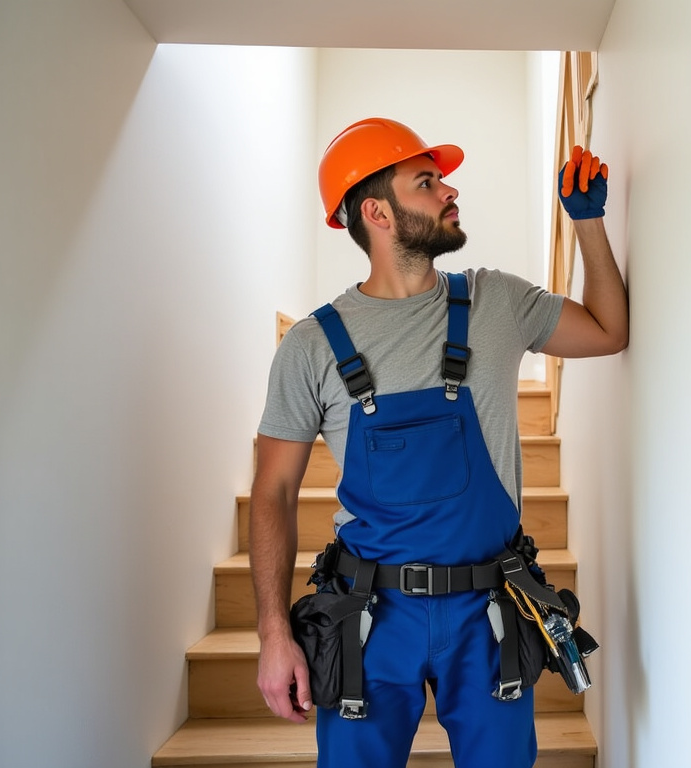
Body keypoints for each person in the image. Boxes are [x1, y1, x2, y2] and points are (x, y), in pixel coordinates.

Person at [250, 116, 627, 768]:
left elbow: (607, 331)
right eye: (426, 182)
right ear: (377, 213)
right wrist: (273, 633)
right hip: (369, 620)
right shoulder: (310, 346)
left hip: (488, 613)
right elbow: (273, 492)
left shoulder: (496, 301)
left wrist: (588, 224)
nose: (449, 191)